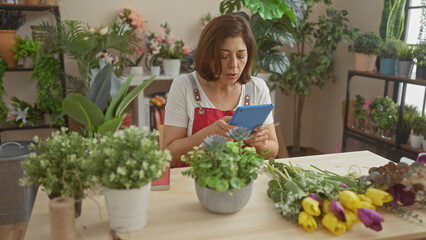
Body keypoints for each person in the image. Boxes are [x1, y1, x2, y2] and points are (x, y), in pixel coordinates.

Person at [163, 14, 278, 167]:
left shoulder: (257, 88)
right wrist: (208, 134)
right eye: (224, 56)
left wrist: (261, 144)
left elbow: (273, 150)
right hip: (193, 184)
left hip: (244, 183)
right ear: (208, 54)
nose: (234, 65)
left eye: (241, 55)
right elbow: (168, 155)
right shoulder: (184, 85)